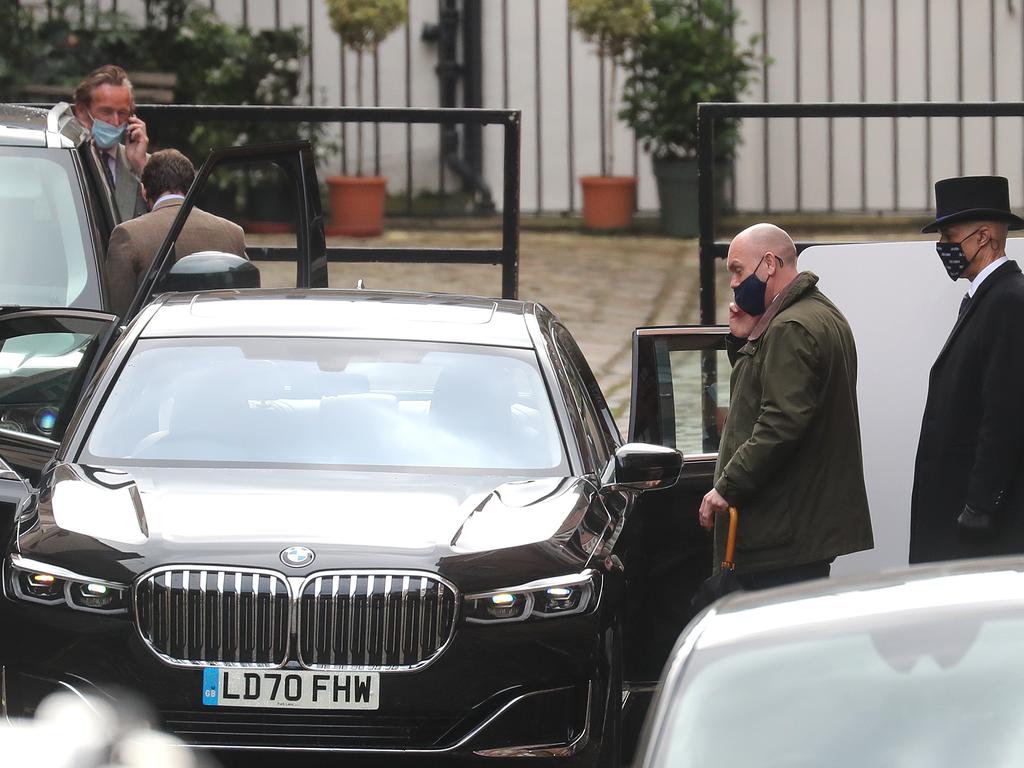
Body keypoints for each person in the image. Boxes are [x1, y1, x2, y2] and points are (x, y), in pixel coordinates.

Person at [698, 223, 873, 589]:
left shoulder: (790, 327)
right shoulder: (819, 314)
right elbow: (763, 393)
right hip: (799, 528)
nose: (732, 283)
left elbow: (780, 422)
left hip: (783, 533)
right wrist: (744, 338)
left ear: (769, 263)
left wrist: (726, 487)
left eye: (737, 270)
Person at [910, 176, 1024, 563]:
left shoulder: (1009, 301)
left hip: (976, 523)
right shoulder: (984, 298)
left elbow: (1005, 413)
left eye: (948, 236)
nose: (942, 248)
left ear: (984, 236)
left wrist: (980, 505)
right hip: (961, 511)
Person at [105, 149, 247, 318]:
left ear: (143, 191)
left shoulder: (127, 235)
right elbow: (245, 301)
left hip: (156, 341)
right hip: (219, 337)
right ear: (192, 187)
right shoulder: (233, 232)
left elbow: (118, 316)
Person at [72, 64, 149, 222]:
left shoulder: (145, 164)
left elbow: (173, 218)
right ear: (81, 110)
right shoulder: (63, 160)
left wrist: (141, 166)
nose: (115, 121)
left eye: (122, 113)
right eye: (106, 111)